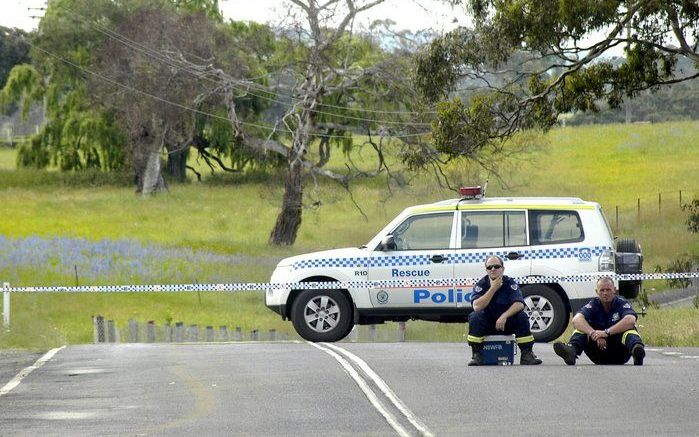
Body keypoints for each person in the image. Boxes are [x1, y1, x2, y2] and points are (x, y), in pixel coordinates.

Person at [467, 256, 542, 366]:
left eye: (496, 266)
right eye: (489, 267)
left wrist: (504, 316)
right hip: (487, 325)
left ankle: (527, 354)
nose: (493, 269)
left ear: (503, 268)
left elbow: (519, 304)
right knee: (475, 316)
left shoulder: (509, 283)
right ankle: (477, 354)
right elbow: (477, 307)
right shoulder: (481, 285)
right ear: (486, 270)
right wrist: (493, 288)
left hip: (505, 324)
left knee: (521, 316)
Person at [553, 276, 645, 366]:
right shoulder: (593, 304)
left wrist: (606, 333)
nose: (605, 293)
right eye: (602, 290)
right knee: (582, 328)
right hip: (598, 354)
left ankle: (637, 352)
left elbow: (630, 320)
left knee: (630, 330)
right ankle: (571, 352)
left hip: (620, 354)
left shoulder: (621, 303)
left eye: (608, 290)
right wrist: (594, 333)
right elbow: (576, 320)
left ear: (614, 290)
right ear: (597, 292)